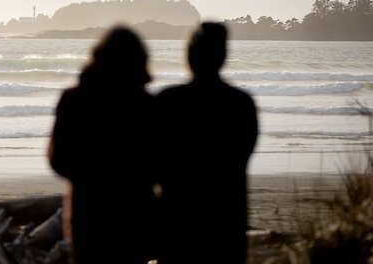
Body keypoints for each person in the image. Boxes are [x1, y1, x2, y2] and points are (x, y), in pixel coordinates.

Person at [48, 25, 158, 263]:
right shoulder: (148, 105)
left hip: (88, 212)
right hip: (135, 213)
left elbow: (58, 161)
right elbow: (163, 164)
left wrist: (88, 174)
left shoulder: (73, 99)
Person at [156, 22, 258, 264]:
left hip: (178, 219)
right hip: (227, 219)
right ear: (223, 56)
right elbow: (241, 156)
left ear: (189, 56)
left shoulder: (168, 101)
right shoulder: (241, 104)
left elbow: (151, 161)